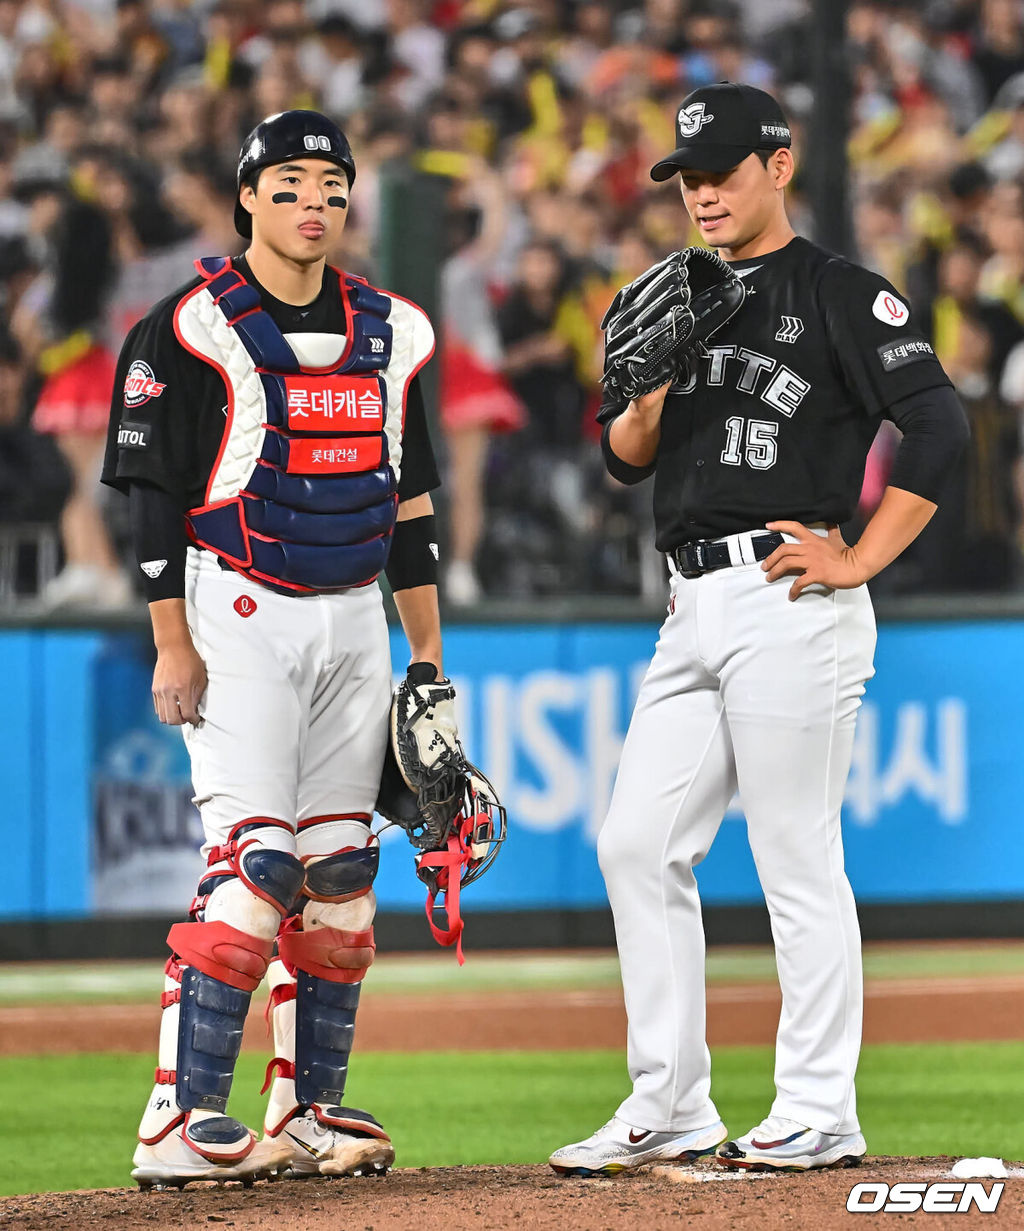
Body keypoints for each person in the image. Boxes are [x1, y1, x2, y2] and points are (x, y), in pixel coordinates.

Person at [549, 82, 969, 1177]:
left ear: (778, 167)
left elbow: (936, 422)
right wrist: (640, 398)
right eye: (687, 179)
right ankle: (670, 1101)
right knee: (634, 842)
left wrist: (863, 554)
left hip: (792, 594)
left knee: (793, 850)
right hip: (687, 601)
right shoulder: (662, 295)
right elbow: (621, 460)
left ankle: (819, 1105)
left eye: (722, 173)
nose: (701, 195)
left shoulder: (836, 290)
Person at [102, 110, 447, 1188]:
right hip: (234, 608)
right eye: (291, 183)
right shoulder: (188, 326)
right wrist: (171, 643)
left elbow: (413, 508)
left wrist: (425, 663)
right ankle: (177, 1116)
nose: (315, 203)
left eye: (332, 186)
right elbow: (153, 504)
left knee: (341, 877)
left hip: (354, 618)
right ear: (248, 196)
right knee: (257, 868)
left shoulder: (391, 333)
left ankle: (306, 1108)